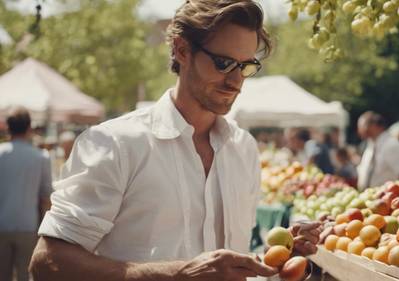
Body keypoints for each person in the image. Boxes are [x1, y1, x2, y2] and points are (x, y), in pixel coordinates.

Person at [29, 1, 320, 281]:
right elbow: (47, 264)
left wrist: (278, 257)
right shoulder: (114, 143)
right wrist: (177, 274)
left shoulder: (244, 149)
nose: (236, 81)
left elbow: (226, 265)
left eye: (246, 66)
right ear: (181, 49)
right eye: (224, 63)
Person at [0, 107, 52, 281]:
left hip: (1, 225)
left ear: (7, 127)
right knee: (25, 275)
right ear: (29, 128)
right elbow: (46, 197)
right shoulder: (41, 157)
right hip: (28, 226)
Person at [356, 111, 399, 190]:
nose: (359, 130)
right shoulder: (371, 146)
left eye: (362, 126)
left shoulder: (391, 145)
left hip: (387, 198)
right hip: (370, 197)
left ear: (374, 125)